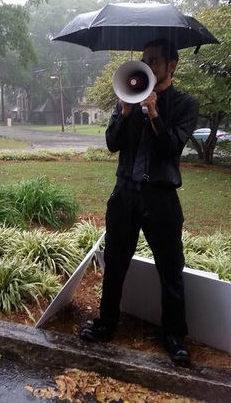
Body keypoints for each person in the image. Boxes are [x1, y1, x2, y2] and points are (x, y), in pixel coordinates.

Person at [80, 38, 199, 366]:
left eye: (156, 61)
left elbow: (171, 149)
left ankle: (174, 336)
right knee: (115, 263)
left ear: (172, 65)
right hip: (125, 195)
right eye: (145, 59)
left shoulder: (185, 104)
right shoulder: (128, 97)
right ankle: (105, 324)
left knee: (170, 268)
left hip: (161, 197)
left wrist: (154, 113)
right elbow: (111, 143)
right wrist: (125, 110)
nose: (148, 65)